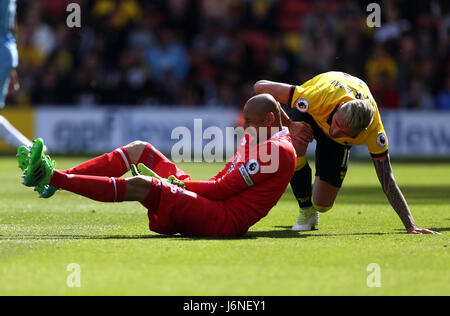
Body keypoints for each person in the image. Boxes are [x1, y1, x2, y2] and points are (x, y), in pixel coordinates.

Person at [20, 94, 297, 237]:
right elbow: (221, 179)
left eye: (248, 121)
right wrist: (183, 186)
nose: (243, 125)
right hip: (208, 200)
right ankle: (55, 181)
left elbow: (223, 189)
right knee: (141, 149)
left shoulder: (277, 152)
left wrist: (176, 185)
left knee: (143, 184)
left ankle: (53, 177)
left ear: (269, 120)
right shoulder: (258, 136)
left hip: (221, 219)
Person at [254, 71, 439, 235]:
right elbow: (261, 88)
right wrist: (290, 125)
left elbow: (387, 179)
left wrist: (410, 225)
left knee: (322, 204)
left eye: (344, 132)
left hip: (335, 138)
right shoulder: (317, 97)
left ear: (361, 132)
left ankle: (312, 202)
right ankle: (306, 211)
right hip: (311, 114)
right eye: (336, 123)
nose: (334, 132)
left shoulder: (374, 132)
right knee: (295, 144)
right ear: (341, 105)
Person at [0, 0, 32, 149]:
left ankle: (30, 149)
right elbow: (12, 27)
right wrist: (11, 65)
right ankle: (31, 149)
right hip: (7, 51)